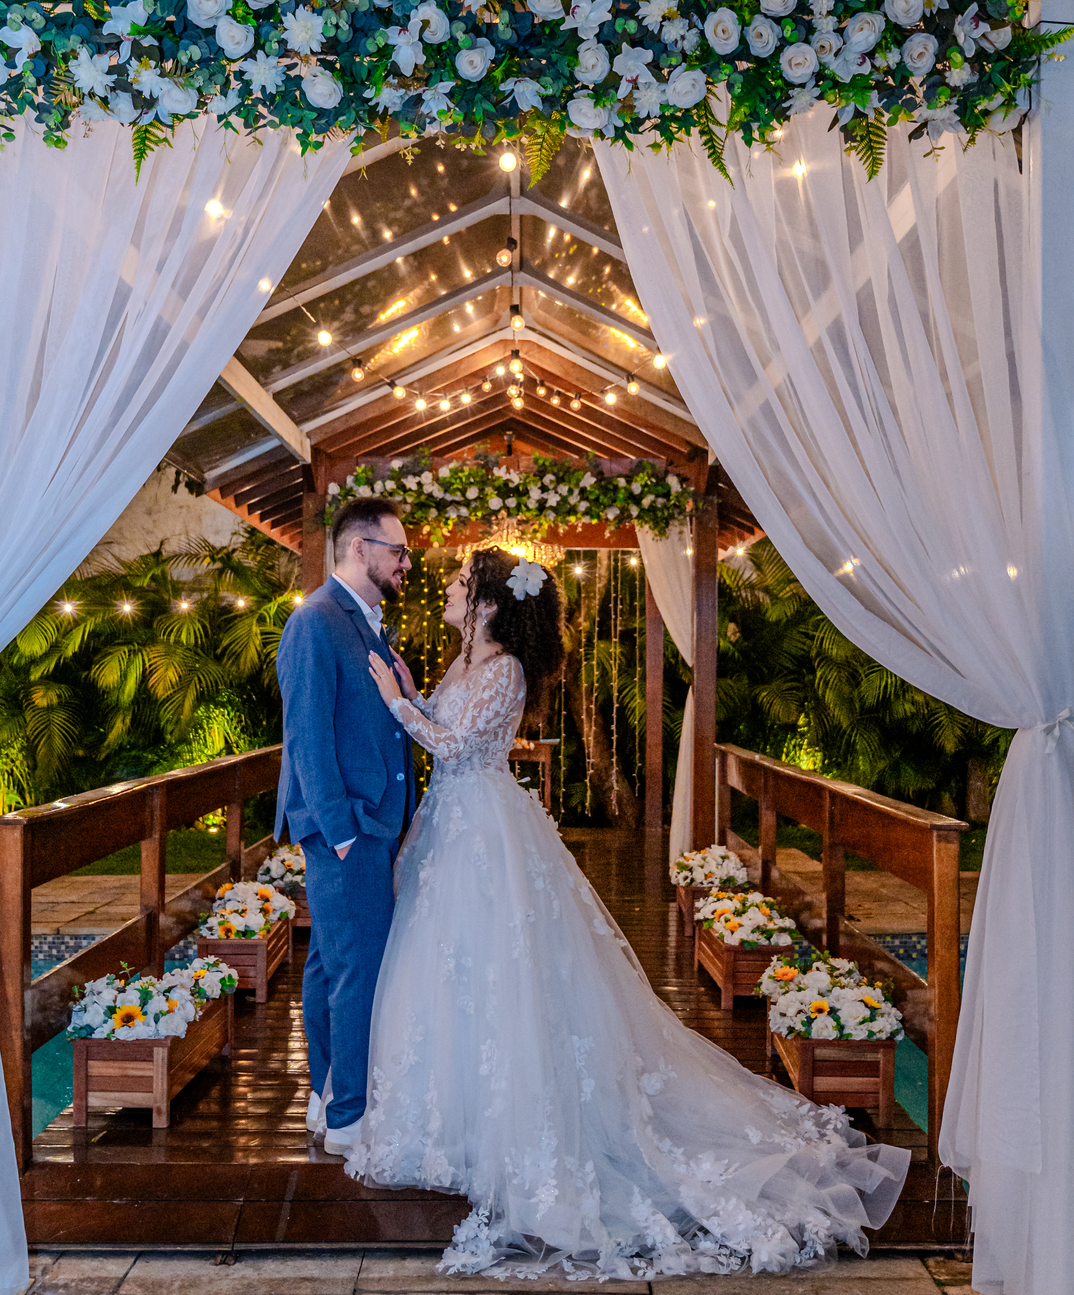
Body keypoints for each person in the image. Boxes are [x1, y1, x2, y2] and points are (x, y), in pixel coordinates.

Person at [348, 547, 910, 1278]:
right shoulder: (462, 663)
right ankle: (452, 1128)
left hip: (485, 833)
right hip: (448, 832)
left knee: (502, 970)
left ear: (487, 603)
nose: (448, 590)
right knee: (452, 975)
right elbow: (441, 721)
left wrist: (395, 703)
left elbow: (457, 747)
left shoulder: (506, 669)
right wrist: (410, 692)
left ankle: (519, 1131)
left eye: (460, 583)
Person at [273, 496, 415, 1156]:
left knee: (330, 963)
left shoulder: (365, 621)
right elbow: (307, 735)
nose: (406, 563)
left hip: (370, 822)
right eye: (398, 550)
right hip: (348, 826)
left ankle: (326, 1093)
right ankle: (350, 1118)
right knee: (356, 969)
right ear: (359, 548)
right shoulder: (316, 620)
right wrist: (340, 831)